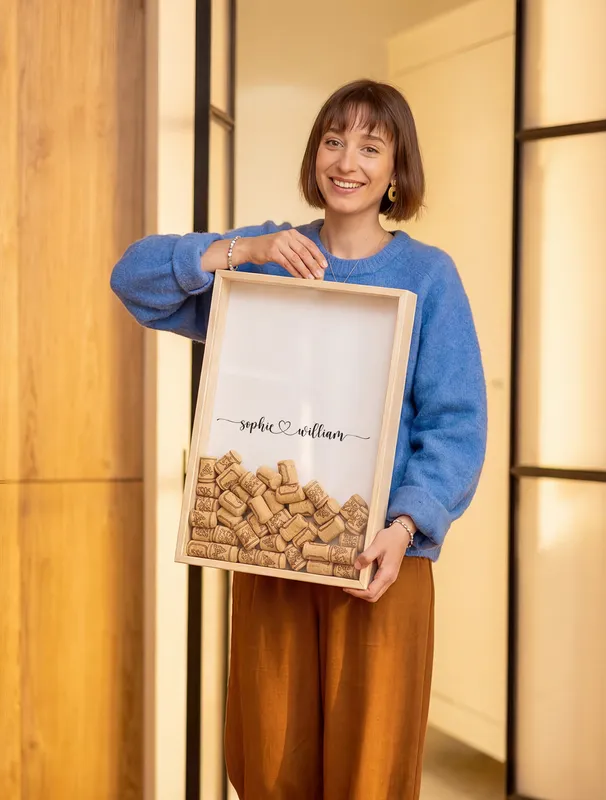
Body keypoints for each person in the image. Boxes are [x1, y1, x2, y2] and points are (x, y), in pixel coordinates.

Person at [111, 78, 487, 799]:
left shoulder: (428, 277)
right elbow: (132, 279)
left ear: (396, 168)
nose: (347, 161)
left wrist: (406, 525)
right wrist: (240, 248)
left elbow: (457, 423)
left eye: (370, 147)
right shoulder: (265, 260)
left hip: (380, 564)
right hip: (271, 553)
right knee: (270, 767)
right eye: (333, 140)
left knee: (370, 776)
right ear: (315, 153)